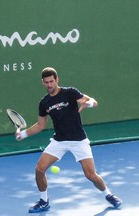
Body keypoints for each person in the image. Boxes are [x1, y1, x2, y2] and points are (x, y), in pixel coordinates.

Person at [15, 67, 122, 213]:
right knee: (39, 169)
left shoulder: (70, 92)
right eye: (46, 82)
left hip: (79, 139)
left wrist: (88, 103)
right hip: (59, 140)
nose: (49, 85)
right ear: (42, 82)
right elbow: (40, 125)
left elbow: (93, 101)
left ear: (57, 80)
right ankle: (44, 201)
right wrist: (24, 134)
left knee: (90, 175)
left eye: (51, 81)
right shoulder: (44, 103)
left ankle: (108, 195)